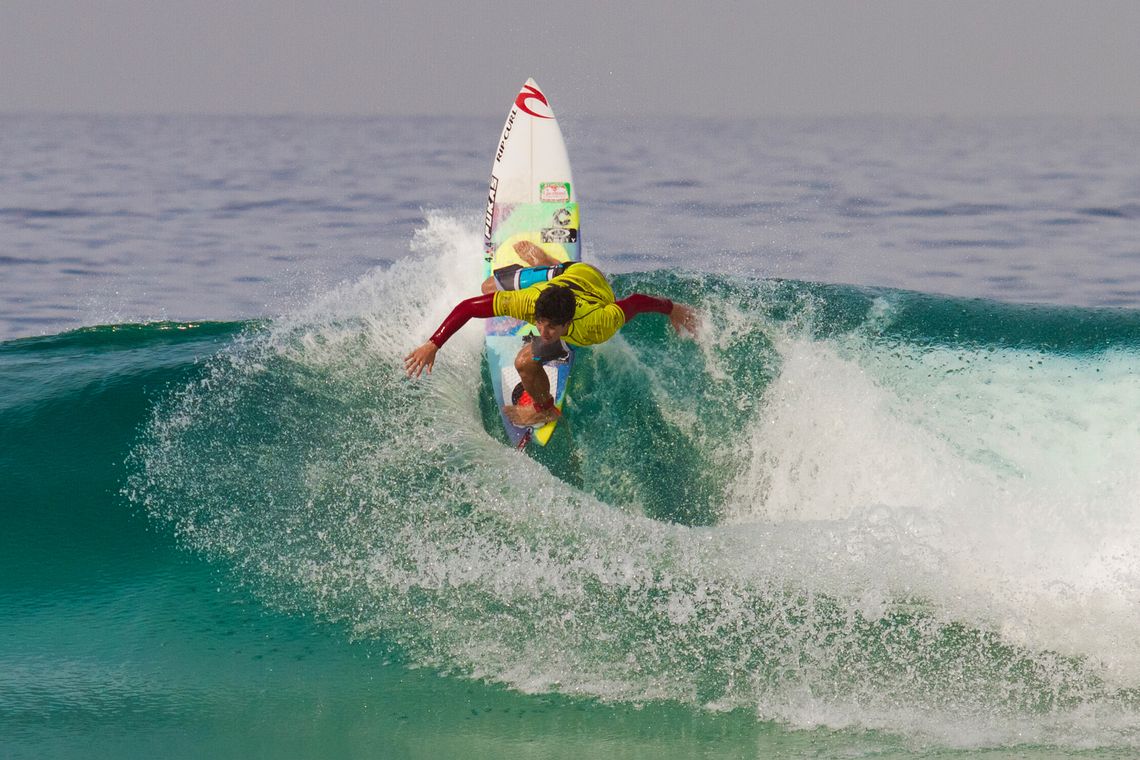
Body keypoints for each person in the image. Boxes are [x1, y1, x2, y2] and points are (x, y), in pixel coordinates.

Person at [405, 241, 699, 427]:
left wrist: (672, 309)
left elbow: (635, 302)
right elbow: (468, 307)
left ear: (565, 324)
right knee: (487, 288)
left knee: (525, 362)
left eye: (551, 328)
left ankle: (544, 410)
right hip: (559, 277)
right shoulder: (531, 303)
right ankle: (545, 264)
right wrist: (434, 343)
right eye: (539, 323)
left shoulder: (598, 322)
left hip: (591, 281)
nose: (543, 332)